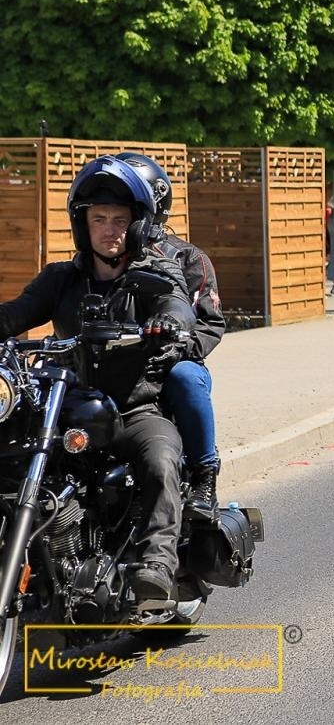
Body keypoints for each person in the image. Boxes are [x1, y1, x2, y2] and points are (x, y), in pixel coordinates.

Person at [0, 157, 197, 605]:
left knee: (161, 458)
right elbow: (15, 314)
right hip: (67, 407)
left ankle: (157, 564)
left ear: (140, 226)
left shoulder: (151, 277)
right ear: (82, 223)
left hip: (133, 409)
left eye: (120, 220)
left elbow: (176, 302)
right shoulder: (61, 279)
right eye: (99, 219)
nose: (110, 229)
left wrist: (169, 321)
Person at [115, 153, 227, 519]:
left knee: (185, 378)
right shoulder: (102, 257)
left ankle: (203, 475)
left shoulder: (188, 257)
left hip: (171, 363)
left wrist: (180, 348)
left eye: (129, 207)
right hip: (114, 362)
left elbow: (211, 323)